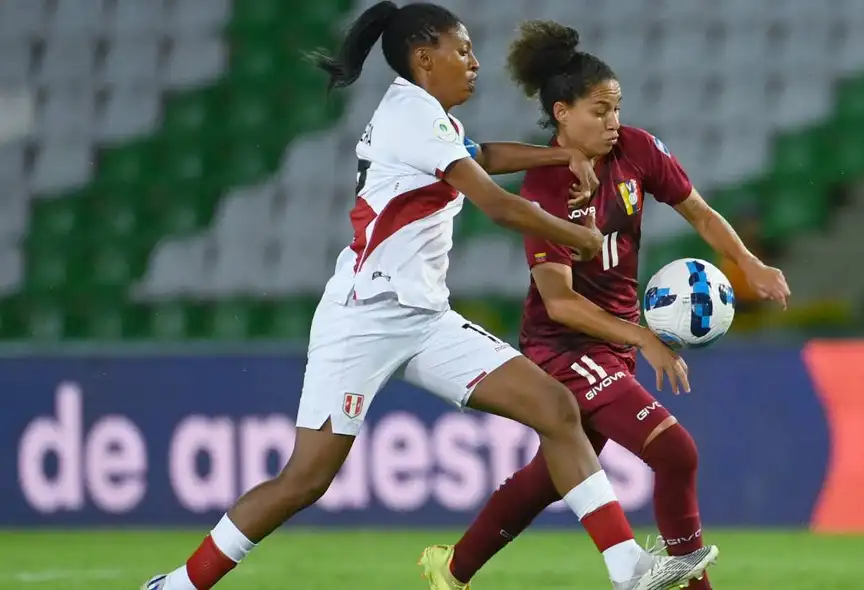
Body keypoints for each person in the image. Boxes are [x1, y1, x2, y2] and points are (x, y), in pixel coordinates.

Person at [143, 4, 716, 590]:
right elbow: (495, 202)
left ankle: (627, 569)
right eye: (461, 50)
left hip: (424, 319)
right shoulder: (412, 116)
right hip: (363, 317)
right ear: (424, 58)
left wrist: (560, 154)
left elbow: (482, 155)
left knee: (556, 409)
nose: (473, 63)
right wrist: (577, 234)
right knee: (305, 481)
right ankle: (181, 585)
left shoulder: (427, 115)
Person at [419, 20, 791, 590]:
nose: (613, 122)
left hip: (614, 343)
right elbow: (560, 302)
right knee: (676, 453)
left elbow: (699, 212)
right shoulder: (544, 188)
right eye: (600, 111)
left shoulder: (638, 150)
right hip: (563, 347)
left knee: (551, 476)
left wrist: (750, 264)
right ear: (563, 114)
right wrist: (643, 336)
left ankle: (451, 569)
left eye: (616, 108)